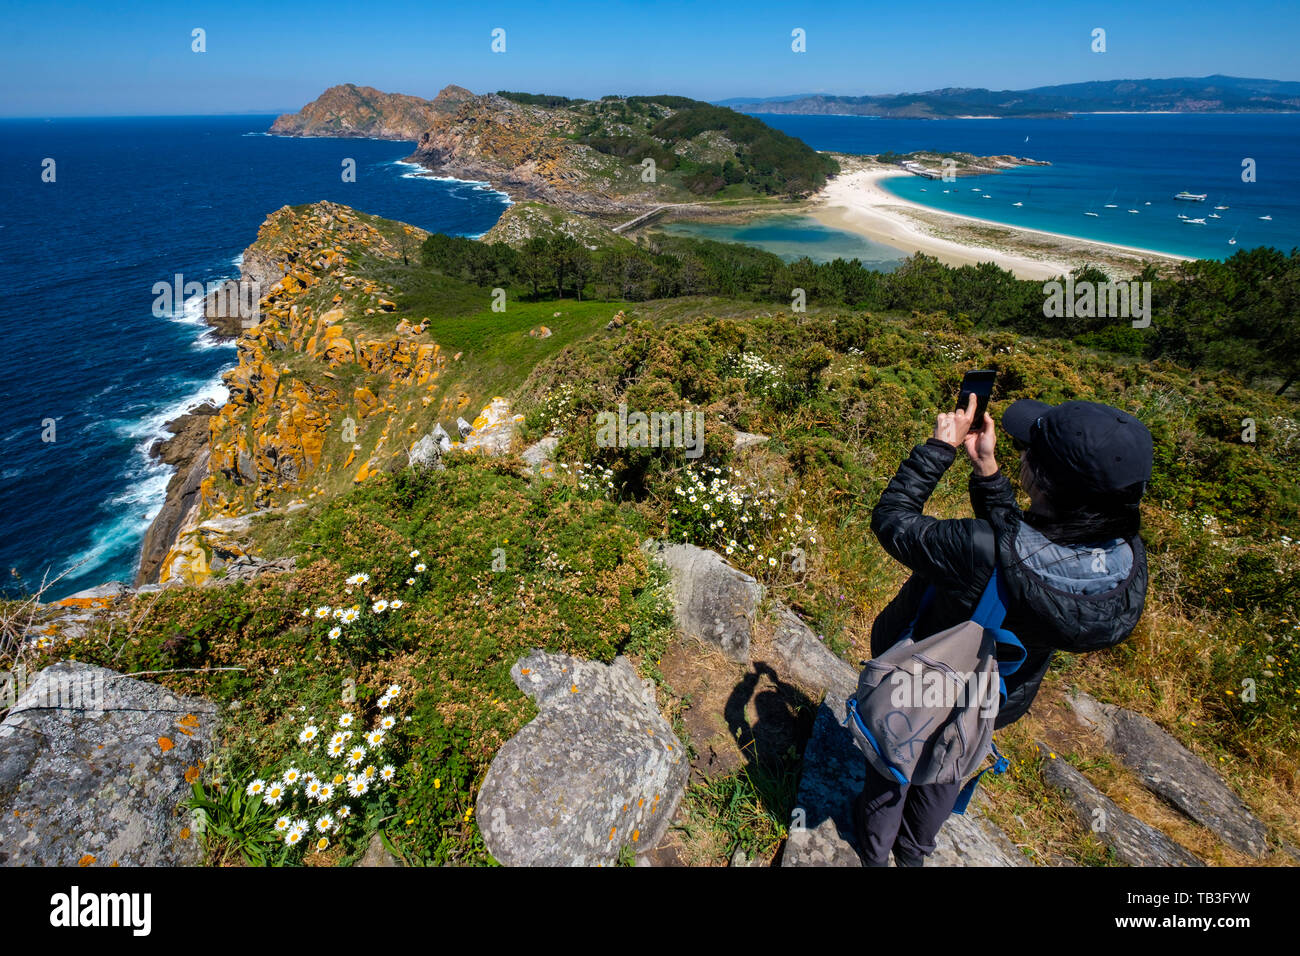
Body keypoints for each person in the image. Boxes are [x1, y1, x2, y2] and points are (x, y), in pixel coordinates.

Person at [852, 392, 1153, 866]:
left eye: (1031, 450)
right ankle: (914, 853)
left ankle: (872, 851)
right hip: (998, 697)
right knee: (950, 763)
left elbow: (893, 520)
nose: (1022, 453)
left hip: (924, 680)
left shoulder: (977, 549)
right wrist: (988, 474)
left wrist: (939, 449)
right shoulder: (1121, 567)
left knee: (897, 759)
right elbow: (1031, 548)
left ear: (1045, 479)